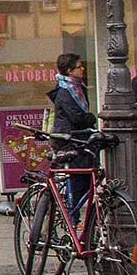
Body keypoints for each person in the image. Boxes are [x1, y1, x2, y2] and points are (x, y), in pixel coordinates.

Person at [47, 52, 97, 217]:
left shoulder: (78, 87)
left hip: (81, 139)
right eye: (78, 67)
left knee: (87, 181)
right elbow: (77, 117)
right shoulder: (64, 91)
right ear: (69, 70)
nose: (82, 69)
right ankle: (73, 221)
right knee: (77, 183)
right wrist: (90, 118)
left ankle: (86, 224)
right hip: (70, 140)